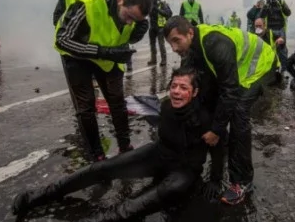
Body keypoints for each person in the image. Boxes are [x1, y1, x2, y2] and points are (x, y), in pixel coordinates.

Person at [12, 67, 210, 221]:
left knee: (143, 201)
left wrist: (217, 178)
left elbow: (219, 147)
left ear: (194, 92)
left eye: (184, 88)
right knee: (102, 168)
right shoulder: (166, 105)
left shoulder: (206, 119)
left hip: (183, 171)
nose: (176, 91)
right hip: (158, 155)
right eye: (174, 85)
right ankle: (38, 196)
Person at [163, 16, 277, 205]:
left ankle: (242, 181)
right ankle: (218, 155)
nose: (174, 48)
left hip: (260, 65)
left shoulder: (216, 45)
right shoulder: (192, 49)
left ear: (190, 33)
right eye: (170, 43)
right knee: (208, 99)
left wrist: (216, 130)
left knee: (238, 113)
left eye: (176, 41)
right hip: (235, 68)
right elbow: (192, 85)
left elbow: (229, 90)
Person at [54, 0, 151, 161]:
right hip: (77, 55)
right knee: (86, 107)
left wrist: (136, 34)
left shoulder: (134, 13)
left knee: (117, 100)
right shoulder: (87, 3)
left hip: (109, 54)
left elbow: (126, 32)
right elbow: (62, 39)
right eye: (129, 16)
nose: (130, 22)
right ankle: (96, 154)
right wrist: (102, 52)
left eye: (135, 20)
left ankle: (125, 146)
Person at [258, 0, 291, 73]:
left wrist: (281, 4)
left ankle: (284, 69)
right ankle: (272, 68)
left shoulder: (281, 2)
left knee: (282, 49)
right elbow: (261, 15)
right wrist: (266, 5)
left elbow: (288, 13)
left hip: (280, 28)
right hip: (270, 29)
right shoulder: (267, 3)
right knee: (270, 48)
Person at [147, 0, 172, 67]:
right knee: (152, 45)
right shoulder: (149, 5)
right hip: (152, 27)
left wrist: (157, 9)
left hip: (160, 27)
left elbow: (168, 14)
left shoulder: (163, 4)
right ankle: (153, 59)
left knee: (161, 44)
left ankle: (164, 60)